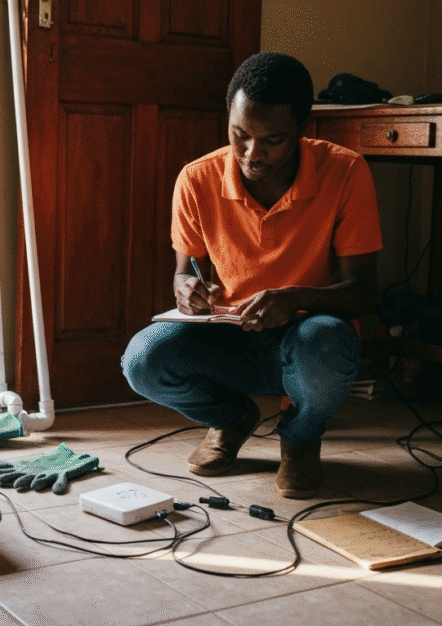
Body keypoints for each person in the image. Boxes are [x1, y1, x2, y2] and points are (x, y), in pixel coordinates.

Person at [121, 52, 382, 498]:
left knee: (326, 341)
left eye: (273, 141)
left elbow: (364, 295)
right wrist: (186, 290)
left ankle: (299, 439)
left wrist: (293, 298)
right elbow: (183, 273)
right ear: (228, 118)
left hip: (305, 338)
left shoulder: (347, 171)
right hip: (228, 335)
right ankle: (228, 418)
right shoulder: (196, 179)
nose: (252, 154)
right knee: (143, 359)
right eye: (239, 135)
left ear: (303, 127)